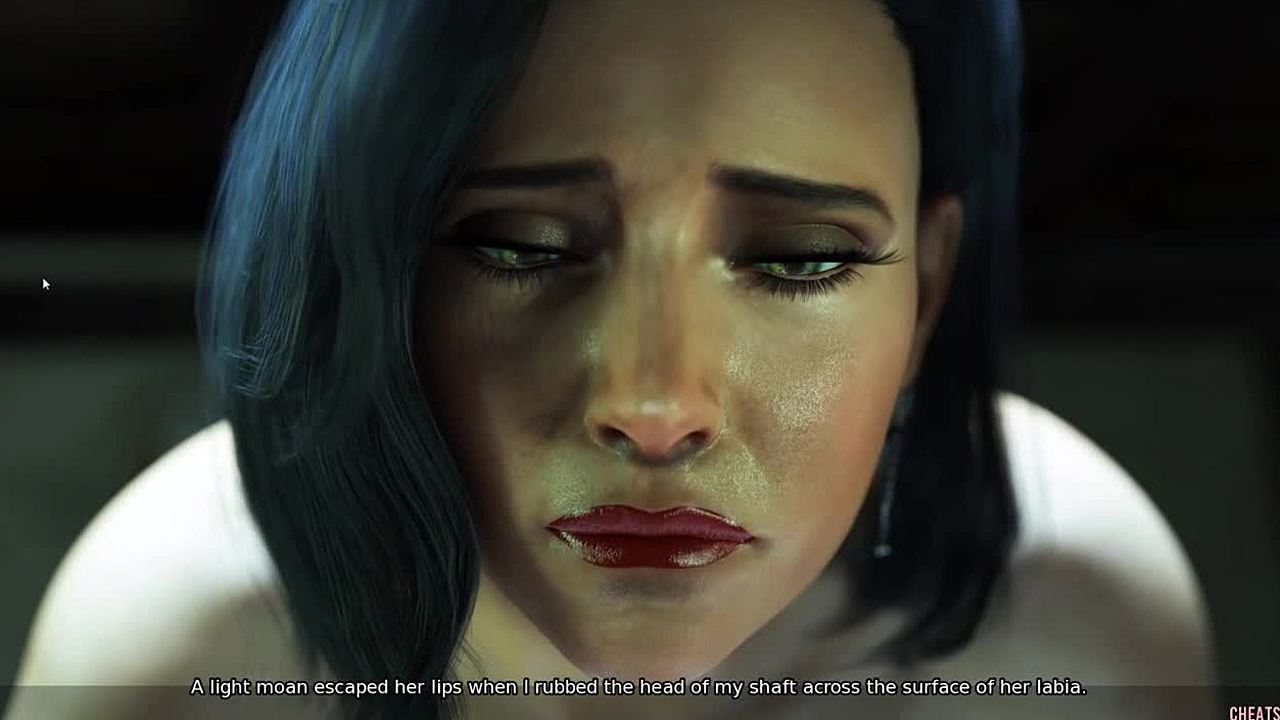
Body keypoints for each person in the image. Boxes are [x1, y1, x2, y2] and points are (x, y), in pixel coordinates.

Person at [10, 0, 1216, 718]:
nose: (652, 404)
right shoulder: (179, 643)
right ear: (376, 256)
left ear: (927, 290)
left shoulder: (1074, 629)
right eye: (523, 246)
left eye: (797, 258)